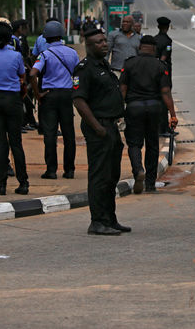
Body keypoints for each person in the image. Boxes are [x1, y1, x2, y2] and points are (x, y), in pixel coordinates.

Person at [72, 27, 130, 236]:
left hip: (111, 126)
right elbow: (79, 101)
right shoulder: (84, 69)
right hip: (99, 128)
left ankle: (110, 219)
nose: (104, 44)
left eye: (105, 41)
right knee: (99, 176)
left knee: (111, 175)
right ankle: (97, 221)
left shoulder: (103, 65)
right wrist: (98, 128)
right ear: (88, 46)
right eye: (99, 42)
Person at [119, 35, 178, 194]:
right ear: (154, 49)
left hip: (134, 108)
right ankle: (150, 184)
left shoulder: (129, 63)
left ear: (140, 47)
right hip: (154, 109)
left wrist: (118, 111)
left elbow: (122, 90)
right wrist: (172, 115)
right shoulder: (160, 66)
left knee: (134, 143)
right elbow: (166, 92)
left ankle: (138, 170)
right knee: (152, 145)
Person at [0, 21, 29, 195]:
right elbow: (22, 77)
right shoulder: (16, 56)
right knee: (16, 143)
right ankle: (23, 182)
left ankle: (1, 184)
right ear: (10, 37)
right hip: (12, 100)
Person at [29, 20, 79, 179]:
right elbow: (78, 75)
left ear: (46, 38)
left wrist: (38, 94)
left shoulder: (44, 55)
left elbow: (32, 74)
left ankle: (51, 170)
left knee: (50, 134)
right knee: (68, 134)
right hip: (66, 95)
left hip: (49, 95)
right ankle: (69, 170)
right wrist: (75, 89)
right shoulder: (72, 53)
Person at [154, 16, 176, 136]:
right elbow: (165, 55)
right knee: (165, 101)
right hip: (164, 72)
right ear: (167, 28)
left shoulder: (154, 39)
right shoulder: (168, 41)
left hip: (153, 72)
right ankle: (163, 129)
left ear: (158, 27)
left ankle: (159, 127)